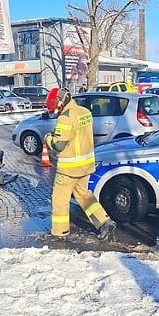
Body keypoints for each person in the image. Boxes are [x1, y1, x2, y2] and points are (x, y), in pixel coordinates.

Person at [43, 87, 117, 240]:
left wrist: (48, 138)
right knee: (84, 195)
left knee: (60, 199)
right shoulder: (84, 112)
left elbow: (59, 145)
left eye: (54, 104)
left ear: (60, 101)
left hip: (69, 169)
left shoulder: (65, 117)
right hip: (86, 165)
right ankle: (104, 222)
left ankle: (59, 233)